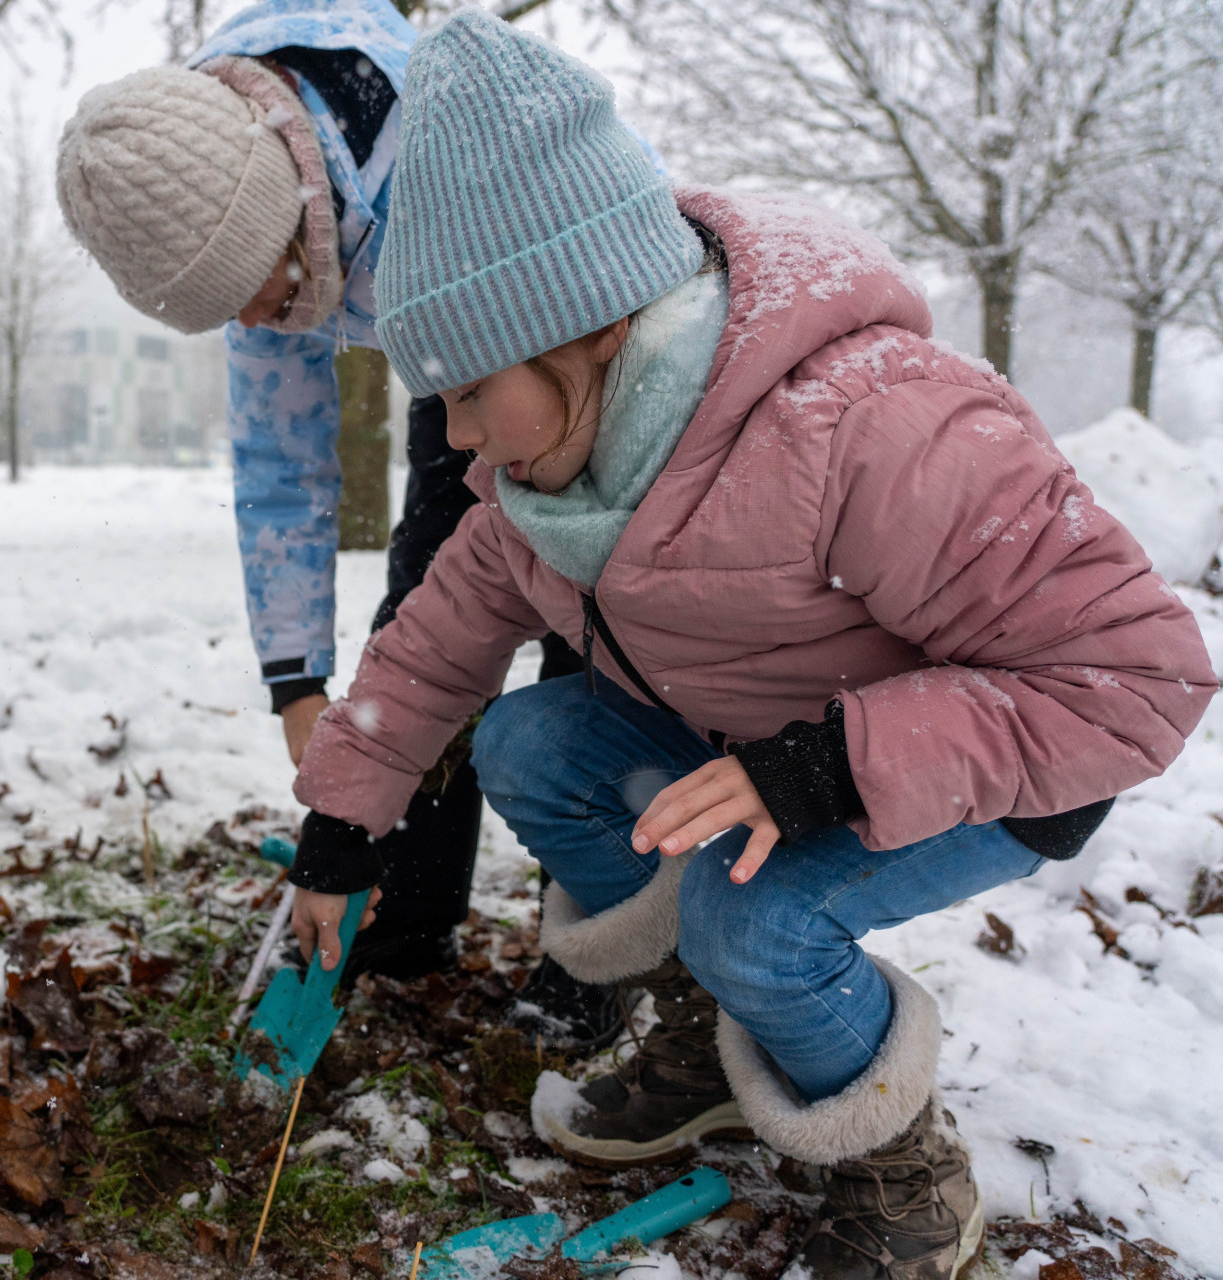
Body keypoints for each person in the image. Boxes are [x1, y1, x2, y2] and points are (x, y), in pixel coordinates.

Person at [284, 13, 1216, 1278]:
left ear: (587, 323)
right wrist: (342, 834)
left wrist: (826, 770)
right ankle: (701, 1044)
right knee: (530, 740)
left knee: (749, 916)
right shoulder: (541, 490)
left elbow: (1140, 678)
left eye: (464, 387)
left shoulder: (867, 424)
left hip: (995, 757)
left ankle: (905, 1167)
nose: (451, 441)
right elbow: (428, 655)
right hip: (766, 736)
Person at [54, 0, 631, 1038]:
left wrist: (337, 822)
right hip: (440, 365)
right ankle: (409, 907)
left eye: (254, 294)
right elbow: (282, 468)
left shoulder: (453, 155)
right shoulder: (235, 212)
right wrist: (297, 681)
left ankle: (592, 943)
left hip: (575, 356)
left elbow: (450, 592)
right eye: (226, 309)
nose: (250, 322)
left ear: (293, 212)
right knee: (426, 619)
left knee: (581, 639)